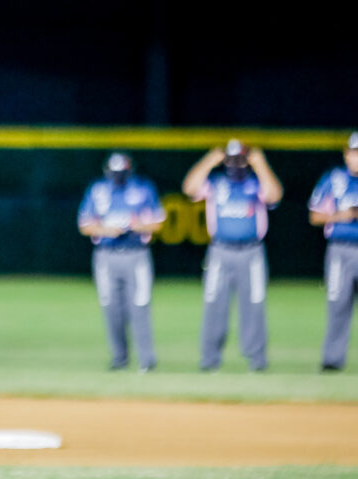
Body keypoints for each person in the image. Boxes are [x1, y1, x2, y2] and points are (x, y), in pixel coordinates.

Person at [182, 139, 283, 371]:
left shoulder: (255, 184)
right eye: (232, 159)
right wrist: (210, 159)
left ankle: (257, 360)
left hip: (251, 252)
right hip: (220, 251)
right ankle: (210, 360)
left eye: (240, 159)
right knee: (214, 304)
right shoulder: (217, 184)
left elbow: (275, 195)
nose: (236, 164)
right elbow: (189, 188)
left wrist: (260, 163)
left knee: (255, 304)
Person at [77, 152, 165, 372]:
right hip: (106, 255)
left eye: (122, 173)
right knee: (111, 308)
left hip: (136, 254)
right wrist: (108, 230)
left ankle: (147, 360)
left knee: (140, 305)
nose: (118, 177)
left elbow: (158, 223)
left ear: (129, 171)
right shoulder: (98, 190)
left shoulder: (143, 189)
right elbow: (85, 225)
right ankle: (119, 358)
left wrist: (137, 226)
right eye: (115, 173)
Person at [308, 131, 358, 372]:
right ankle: (332, 361)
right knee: (337, 303)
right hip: (341, 250)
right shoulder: (334, 179)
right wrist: (344, 215)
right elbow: (315, 215)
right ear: (346, 154)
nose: (356, 157)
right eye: (354, 152)